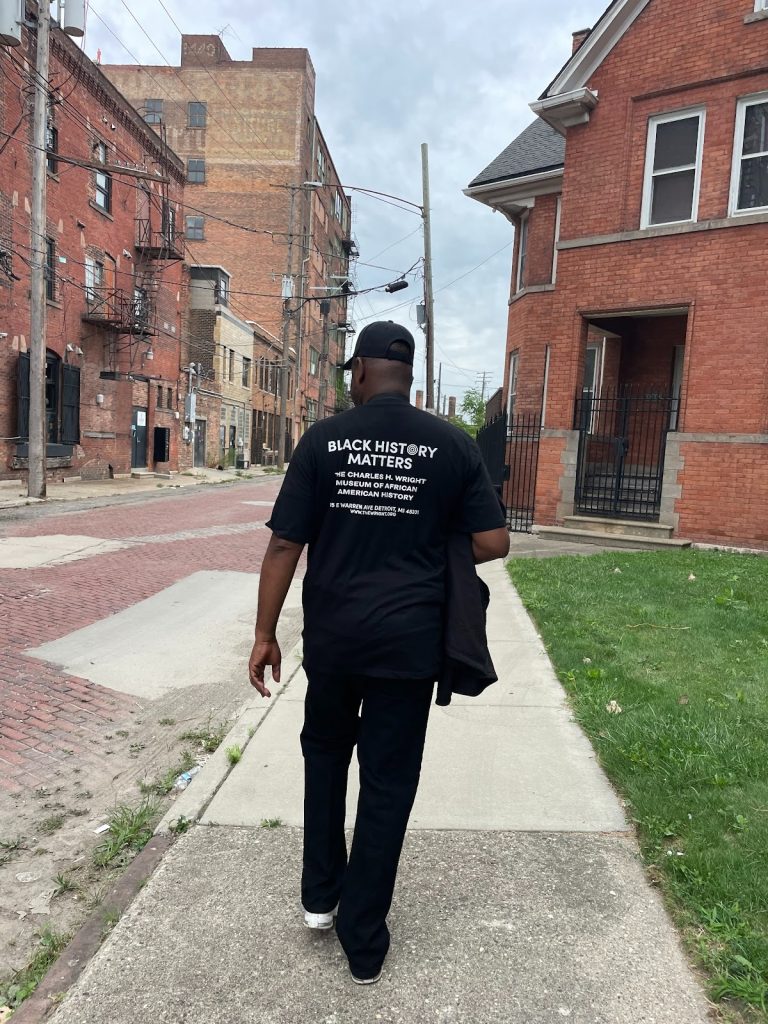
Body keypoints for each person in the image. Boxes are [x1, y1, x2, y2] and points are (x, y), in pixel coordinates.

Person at [248, 320, 509, 984]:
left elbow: (285, 544)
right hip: (410, 644)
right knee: (389, 782)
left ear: (359, 373)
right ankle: (363, 941)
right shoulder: (451, 444)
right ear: (409, 375)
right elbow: (493, 540)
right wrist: (430, 536)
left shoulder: (323, 441)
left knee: (326, 758)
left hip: (334, 639)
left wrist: (265, 633)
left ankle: (319, 897)